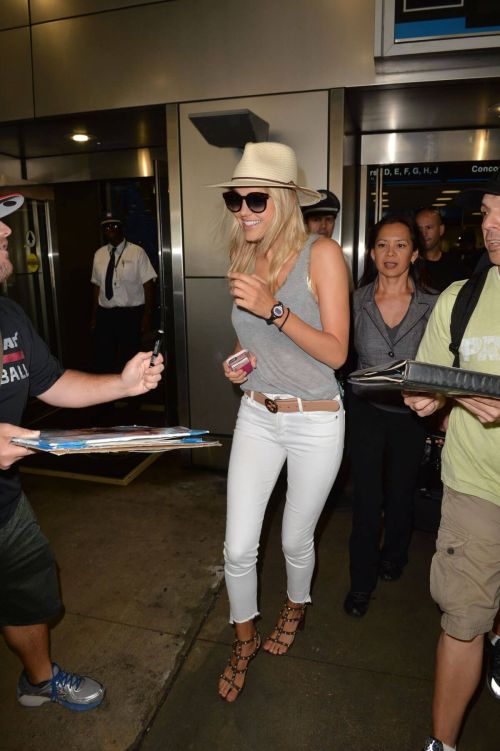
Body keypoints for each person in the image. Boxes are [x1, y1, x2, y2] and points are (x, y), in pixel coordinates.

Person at [0, 193, 164, 711]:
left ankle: (39, 679)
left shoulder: (9, 314)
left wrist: (122, 383)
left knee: (29, 590)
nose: (6, 233)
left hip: (5, 507)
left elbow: (52, 384)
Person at [209, 142, 349, 702]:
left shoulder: (323, 255)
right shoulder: (243, 259)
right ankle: (242, 637)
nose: (242, 209)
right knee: (238, 547)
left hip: (315, 420)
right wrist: (239, 365)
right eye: (234, 198)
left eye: (255, 199)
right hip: (257, 413)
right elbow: (258, 346)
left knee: (295, 537)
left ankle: (296, 605)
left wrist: (274, 307)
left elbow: (337, 352)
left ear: (286, 200)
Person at [404, 172, 500, 751]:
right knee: (462, 618)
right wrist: (426, 398)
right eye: (488, 213)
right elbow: (430, 380)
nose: (492, 227)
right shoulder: (459, 300)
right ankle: (442, 745)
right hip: (473, 486)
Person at [343, 214, 437, 617]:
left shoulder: (433, 304)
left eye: (401, 245)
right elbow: (337, 354)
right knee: (367, 500)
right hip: (365, 412)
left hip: (410, 416)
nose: (391, 253)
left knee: (400, 493)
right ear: (371, 251)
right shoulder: (355, 301)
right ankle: (360, 583)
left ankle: (394, 556)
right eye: (383, 244)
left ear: (415, 253)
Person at [91, 216, 157, 373]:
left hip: (131, 314)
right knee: (105, 354)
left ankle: (131, 393)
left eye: (114, 225)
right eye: (106, 227)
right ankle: (109, 391)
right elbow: (96, 286)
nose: (110, 229)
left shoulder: (137, 252)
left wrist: (147, 315)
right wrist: (94, 316)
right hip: (105, 314)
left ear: (121, 228)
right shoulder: (99, 254)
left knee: (129, 356)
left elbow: (148, 284)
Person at [415, 207, 467, 292]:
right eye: (419, 229)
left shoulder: (457, 266)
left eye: (429, 227)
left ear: (441, 230)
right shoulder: (408, 266)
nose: (423, 233)